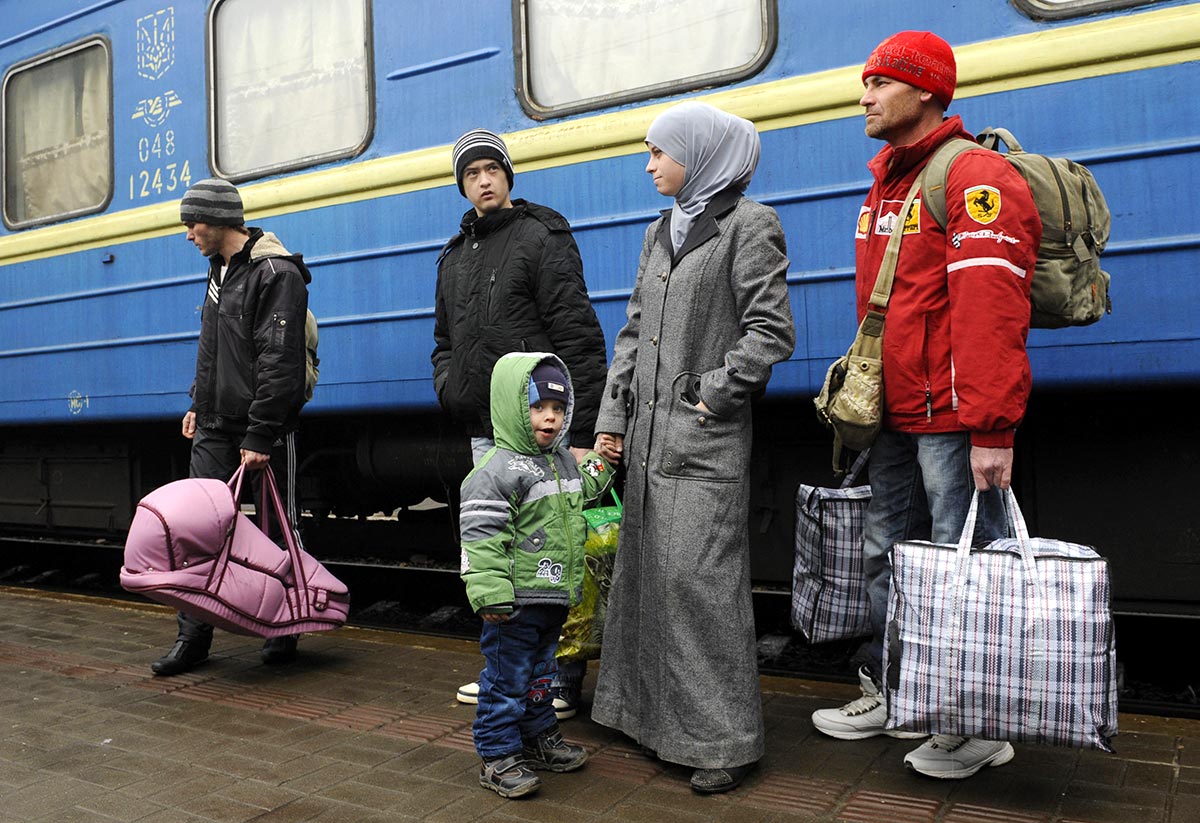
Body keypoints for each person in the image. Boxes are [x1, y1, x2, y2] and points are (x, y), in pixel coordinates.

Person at [809, 31, 1042, 779]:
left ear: (925, 91)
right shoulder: (888, 183)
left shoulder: (972, 177)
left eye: (879, 83)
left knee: (961, 569)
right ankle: (896, 690)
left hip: (952, 420)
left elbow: (989, 312)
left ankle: (975, 722)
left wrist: (992, 425)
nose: (865, 96)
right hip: (897, 417)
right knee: (888, 559)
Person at [590, 101, 795, 794]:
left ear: (698, 155)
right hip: (646, 438)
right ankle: (642, 716)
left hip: (701, 437)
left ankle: (722, 739)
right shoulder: (659, 231)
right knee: (645, 576)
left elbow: (770, 332)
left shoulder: (749, 224)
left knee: (698, 585)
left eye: (658, 152)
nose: (648, 165)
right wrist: (611, 419)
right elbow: (632, 330)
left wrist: (714, 391)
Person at [432, 128, 609, 717]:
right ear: (461, 184)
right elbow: (443, 340)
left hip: (545, 429)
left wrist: (579, 434)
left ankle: (559, 676)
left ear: (508, 175)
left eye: (492, 169)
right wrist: (450, 385)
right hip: (488, 429)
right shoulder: (455, 257)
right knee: (498, 557)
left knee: (552, 551)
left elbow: (577, 333)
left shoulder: (541, 237)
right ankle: (508, 672)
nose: (482, 180)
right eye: (471, 173)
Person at [150, 178, 312, 676]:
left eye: (191, 223)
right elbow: (211, 345)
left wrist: (261, 433)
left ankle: (285, 626)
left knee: (276, 531)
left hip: (260, 428)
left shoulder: (276, 272)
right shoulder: (218, 270)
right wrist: (199, 403)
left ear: (219, 220)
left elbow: (279, 361)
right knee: (198, 529)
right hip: (216, 425)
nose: (187, 235)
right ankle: (193, 636)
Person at [460, 352, 614, 798]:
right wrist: (490, 593)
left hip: (551, 599)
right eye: (537, 408)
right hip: (514, 606)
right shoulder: (496, 471)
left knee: (540, 677)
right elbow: (482, 538)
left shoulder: (562, 460)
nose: (549, 418)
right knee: (507, 680)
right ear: (513, 407)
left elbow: (582, 490)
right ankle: (497, 754)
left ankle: (537, 736)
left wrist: (600, 461)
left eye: (558, 410)